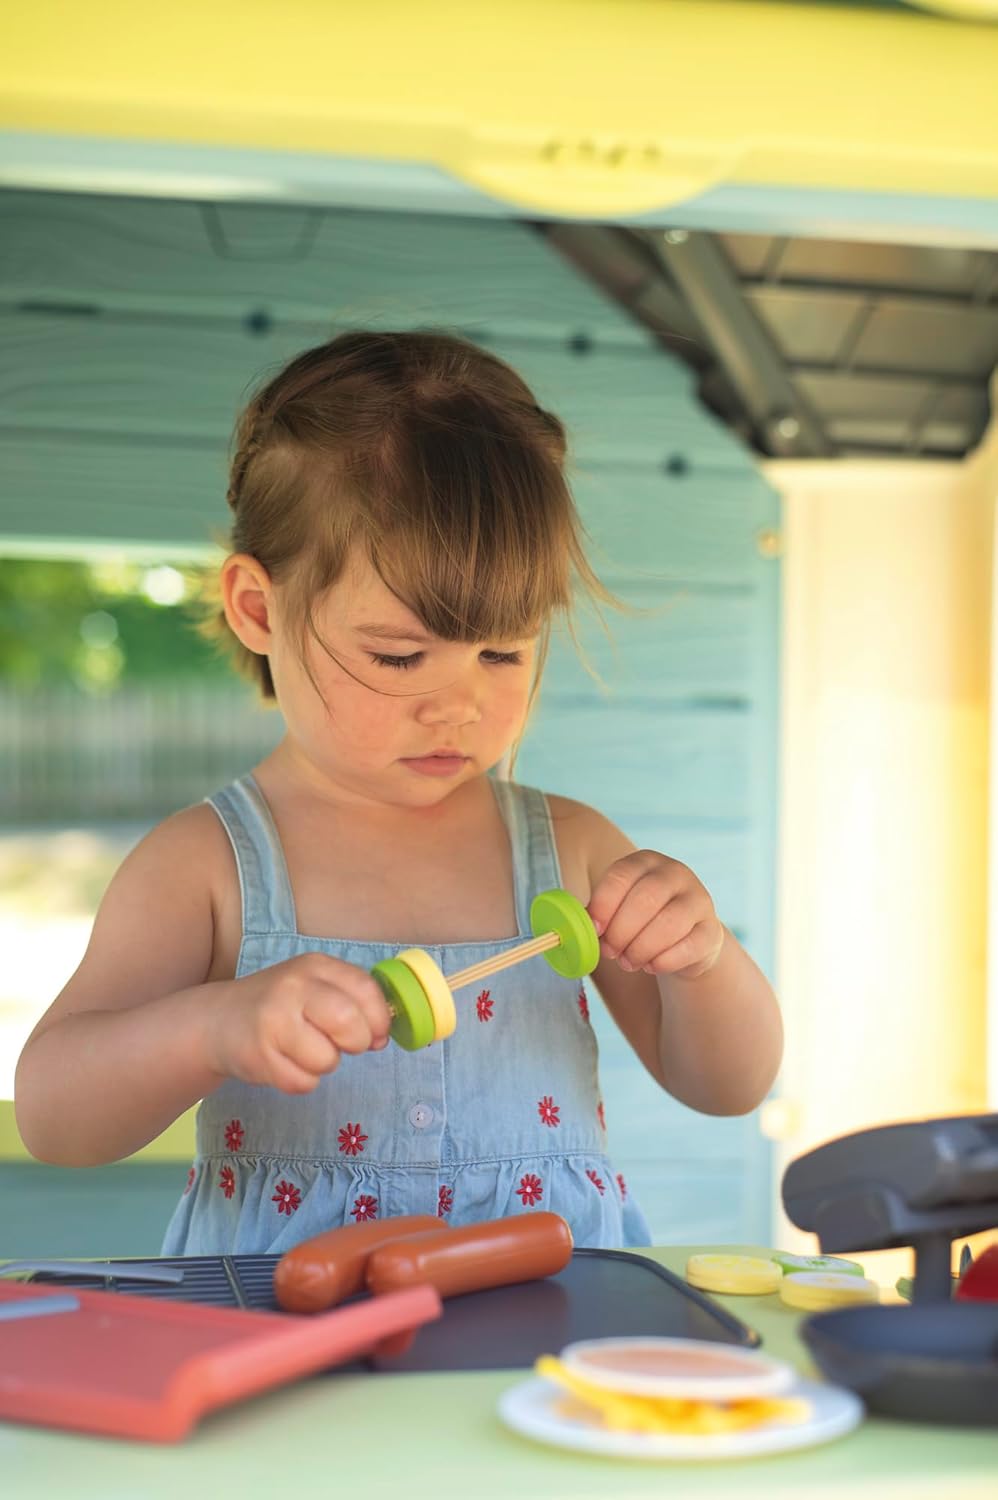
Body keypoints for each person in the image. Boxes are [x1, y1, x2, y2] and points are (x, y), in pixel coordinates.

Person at [15, 330, 783, 1254]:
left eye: (502, 652)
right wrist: (212, 1027)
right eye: (399, 656)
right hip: (284, 1325)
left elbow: (727, 1087)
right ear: (258, 610)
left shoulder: (572, 850)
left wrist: (703, 960)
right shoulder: (207, 866)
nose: (459, 706)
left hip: (544, 1319)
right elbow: (54, 1119)